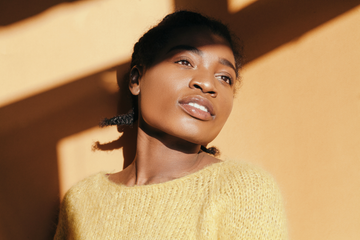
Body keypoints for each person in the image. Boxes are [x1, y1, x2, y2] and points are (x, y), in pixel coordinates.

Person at [54, 11, 288, 239]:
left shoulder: (243, 190)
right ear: (136, 79)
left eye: (225, 78)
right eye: (185, 61)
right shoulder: (82, 201)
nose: (207, 83)